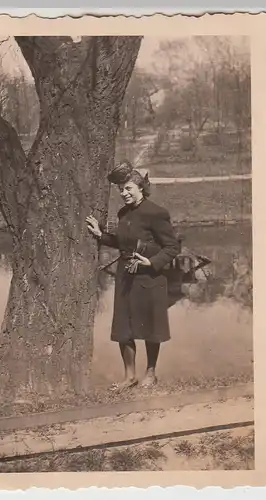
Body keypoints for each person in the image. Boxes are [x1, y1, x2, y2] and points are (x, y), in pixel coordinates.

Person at [86, 160, 181, 391]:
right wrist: (101, 235)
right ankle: (129, 377)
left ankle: (151, 373)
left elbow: (172, 247)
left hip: (149, 277)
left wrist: (152, 261)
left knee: (150, 326)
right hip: (126, 276)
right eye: (121, 189)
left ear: (141, 188)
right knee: (124, 327)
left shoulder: (156, 213)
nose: (123, 193)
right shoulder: (123, 213)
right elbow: (123, 243)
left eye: (128, 188)